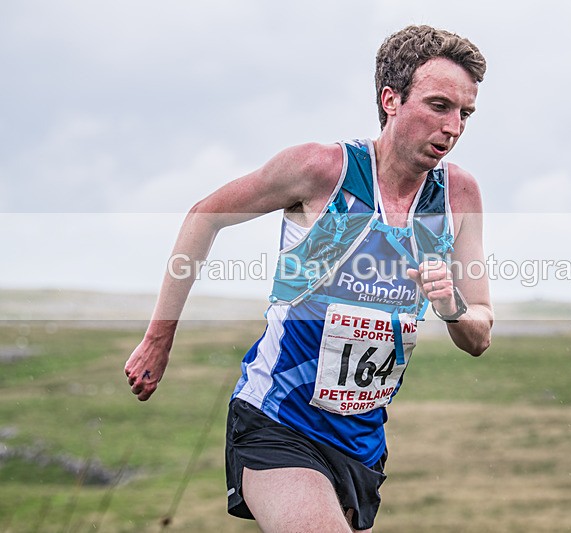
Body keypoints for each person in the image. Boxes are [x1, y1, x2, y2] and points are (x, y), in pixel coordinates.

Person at [124, 24, 492, 532]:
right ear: (391, 99)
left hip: (362, 442)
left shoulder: (458, 196)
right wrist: (158, 338)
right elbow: (204, 215)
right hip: (277, 420)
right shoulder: (324, 170)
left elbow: (480, 331)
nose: (453, 127)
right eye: (438, 106)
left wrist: (452, 307)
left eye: (465, 114)